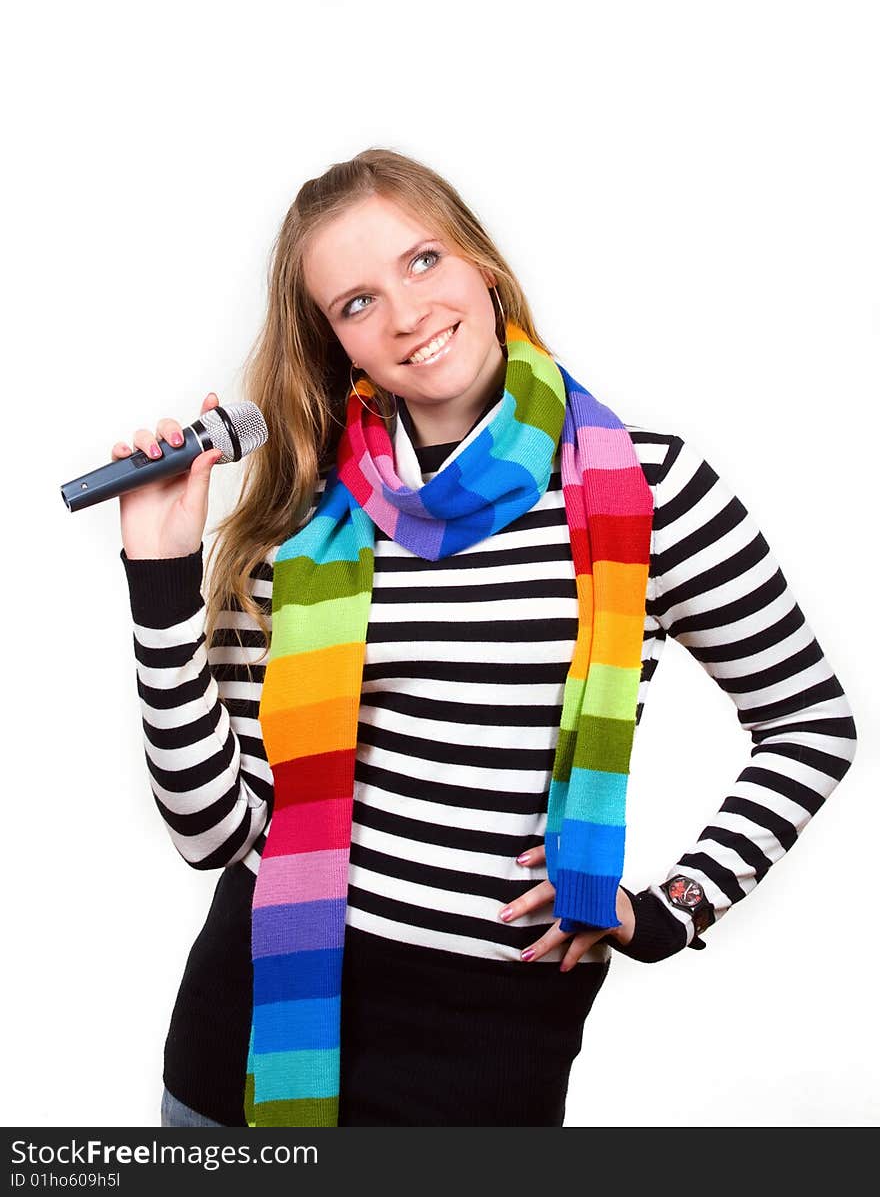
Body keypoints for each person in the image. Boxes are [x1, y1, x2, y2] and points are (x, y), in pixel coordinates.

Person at [116, 147, 856, 1128]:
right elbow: (215, 832)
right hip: (245, 1036)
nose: (407, 313)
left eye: (422, 262)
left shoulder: (650, 490)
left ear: (482, 265)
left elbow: (809, 721)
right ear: (337, 341)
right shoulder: (302, 521)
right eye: (357, 302)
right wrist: (161, 574)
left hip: (478, 1053)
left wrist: (670, 905)